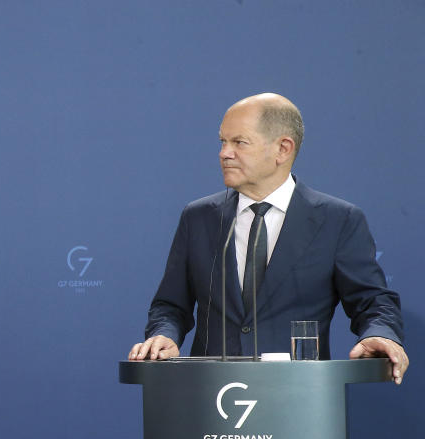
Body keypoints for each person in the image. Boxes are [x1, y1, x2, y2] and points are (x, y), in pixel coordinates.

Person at [128, 93, 408, 384]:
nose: (224, 153)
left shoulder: (337, 220)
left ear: (283, 149)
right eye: (222, 142)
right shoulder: (198, 217)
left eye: (239, 142)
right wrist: (164, 335)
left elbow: (373, 301)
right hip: (210, 398)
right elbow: (170, 305)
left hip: (297, 396)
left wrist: (380, 334)